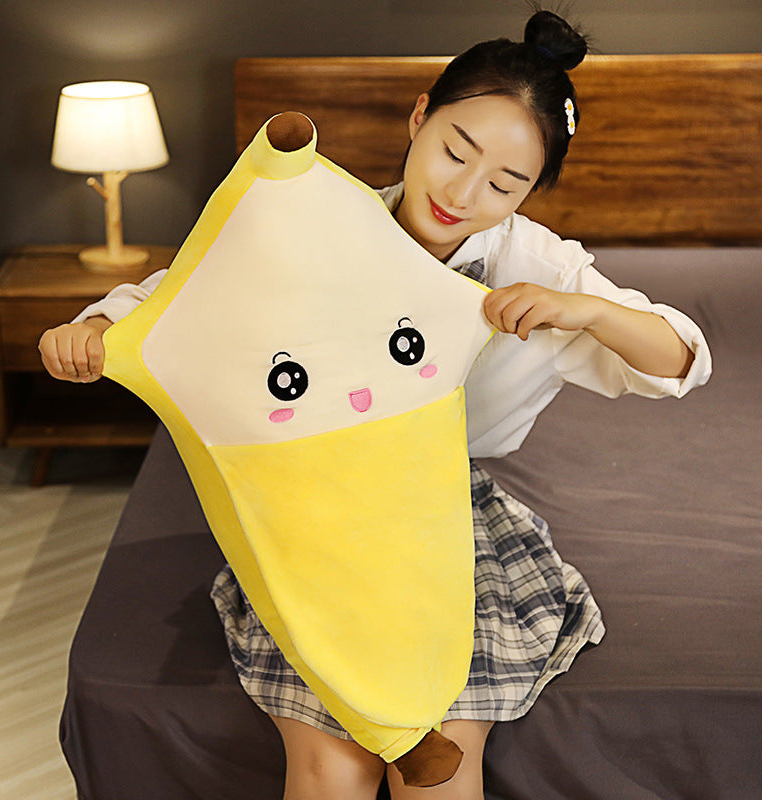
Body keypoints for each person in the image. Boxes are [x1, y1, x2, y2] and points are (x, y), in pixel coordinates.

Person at [39, 10, 711, 800]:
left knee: (439, 757)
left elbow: (681, 357)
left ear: (533, 191)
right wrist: (94, 329)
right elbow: (184, 293)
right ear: (420, 116)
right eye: (455, 152)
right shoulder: (322, 223)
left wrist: (587, 311)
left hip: (445, 519)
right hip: (314, 514)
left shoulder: (538, 267)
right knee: (330, 761)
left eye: (505, 184)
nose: (463, 193)